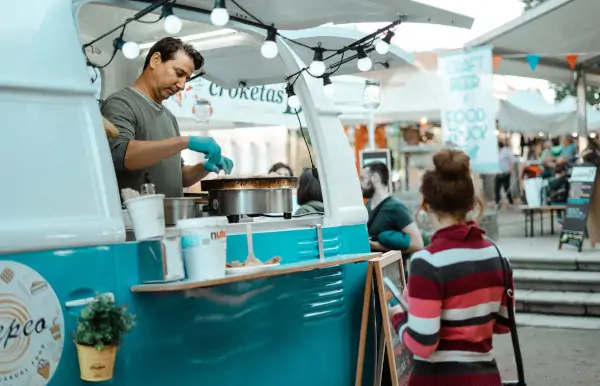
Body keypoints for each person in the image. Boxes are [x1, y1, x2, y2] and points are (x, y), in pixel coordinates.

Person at [389, 149, 512, 386]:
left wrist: (398, 318)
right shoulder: (498, 255)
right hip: (486, 376)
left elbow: (422, 344)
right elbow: (504, 323)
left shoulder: (427, 261)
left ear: (425, 204)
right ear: (471, 202)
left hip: (439, 377)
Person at [102, 37, 233, 197]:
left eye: (186, 78)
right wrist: (186, 141)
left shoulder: (169, 117)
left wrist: (205, 167)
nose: (182, 85)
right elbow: (122, 156)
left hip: (170, 217)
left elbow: (180, 176)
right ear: (155, 60)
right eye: (179, 73)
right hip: (136, 219)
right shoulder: (121, 103)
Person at [360, 162, 423, 255]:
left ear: (375, 178)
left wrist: (376, 246)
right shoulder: (367, 206)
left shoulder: (395, 207)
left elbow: (417, 244)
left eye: (362, 178)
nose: (360, 183)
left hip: (391, 268)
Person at [495, 141, 515, 209]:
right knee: (497, 188)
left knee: (507, 187)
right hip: (498, 172)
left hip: (506, 172)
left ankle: (510, 202)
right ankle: (497, 203)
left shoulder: (506, 151)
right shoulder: (496, 152)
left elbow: (512, 161)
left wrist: (510, 170)